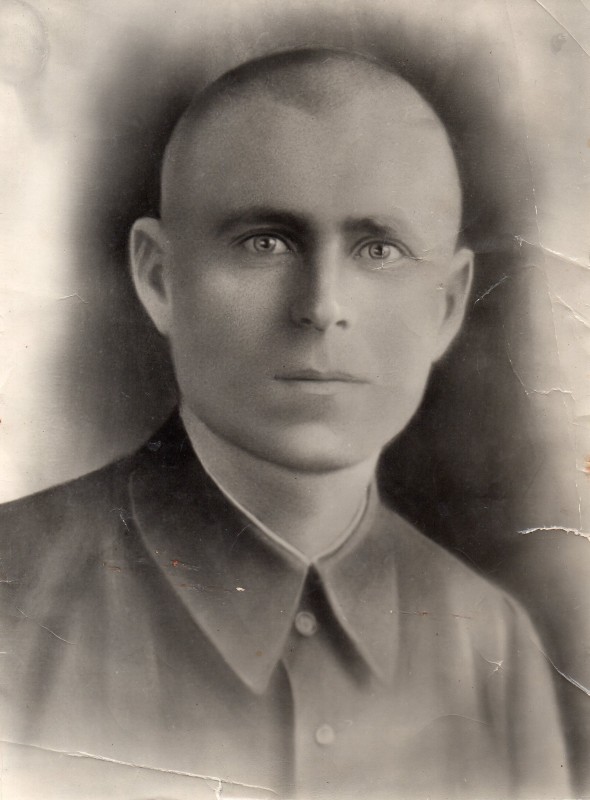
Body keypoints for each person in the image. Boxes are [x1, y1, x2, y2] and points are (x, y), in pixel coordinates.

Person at [0, 48, 571, 799]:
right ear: (159, 277)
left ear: (447, 304)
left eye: (379, 249)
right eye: (265, 242)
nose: (322, 305)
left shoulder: (493, 646)